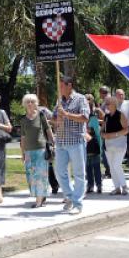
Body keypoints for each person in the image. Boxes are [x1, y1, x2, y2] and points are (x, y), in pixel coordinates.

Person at [53, 76, 89, 215]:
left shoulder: (80, 99)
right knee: (60, 171)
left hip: (75, 141)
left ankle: (77, 203)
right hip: (61, 141)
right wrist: (57, 118)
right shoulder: (59, 100)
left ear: (69, 85)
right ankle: (69, 196)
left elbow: (85, 117)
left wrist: (67, 114)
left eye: (61, 86)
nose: (59, 89)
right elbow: (55, 119)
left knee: (79, 173)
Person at [20, 94, 54, 207]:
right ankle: (40, 196)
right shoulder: (23, 119)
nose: (30, 104)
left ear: (36, 103)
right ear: (25, 104)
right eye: (28, 102)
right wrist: (23, 153)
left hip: (41, 149)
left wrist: (53, 143)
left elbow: (48, 130)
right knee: (31, 176)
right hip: (28, 151)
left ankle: (38, 201)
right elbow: (23, 138)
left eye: (32, 101)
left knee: (40, 175)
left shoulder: (41, 115)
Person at [101, 96, 129, 195]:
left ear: (114, 104)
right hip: (108, 144)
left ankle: (124, 186)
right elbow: (102, 130)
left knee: (116, 165)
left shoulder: (120, 115)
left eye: (108, 103)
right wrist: (103, 134)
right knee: (111, 166)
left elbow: (126, 129)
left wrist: (114, 135)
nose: (106, 105)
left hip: (119, 144)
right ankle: (117, 187)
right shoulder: (106, 116)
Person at [84, 94, 102, 194]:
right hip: (85, 146)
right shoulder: (81, 116)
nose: (87, 102)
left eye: (89, 100)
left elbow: (98, 134)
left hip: (94, 146)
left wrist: (100, 147)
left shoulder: (93, 118)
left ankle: (99, 185)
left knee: (96, 166)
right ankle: (90, 185)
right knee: (88, 167)